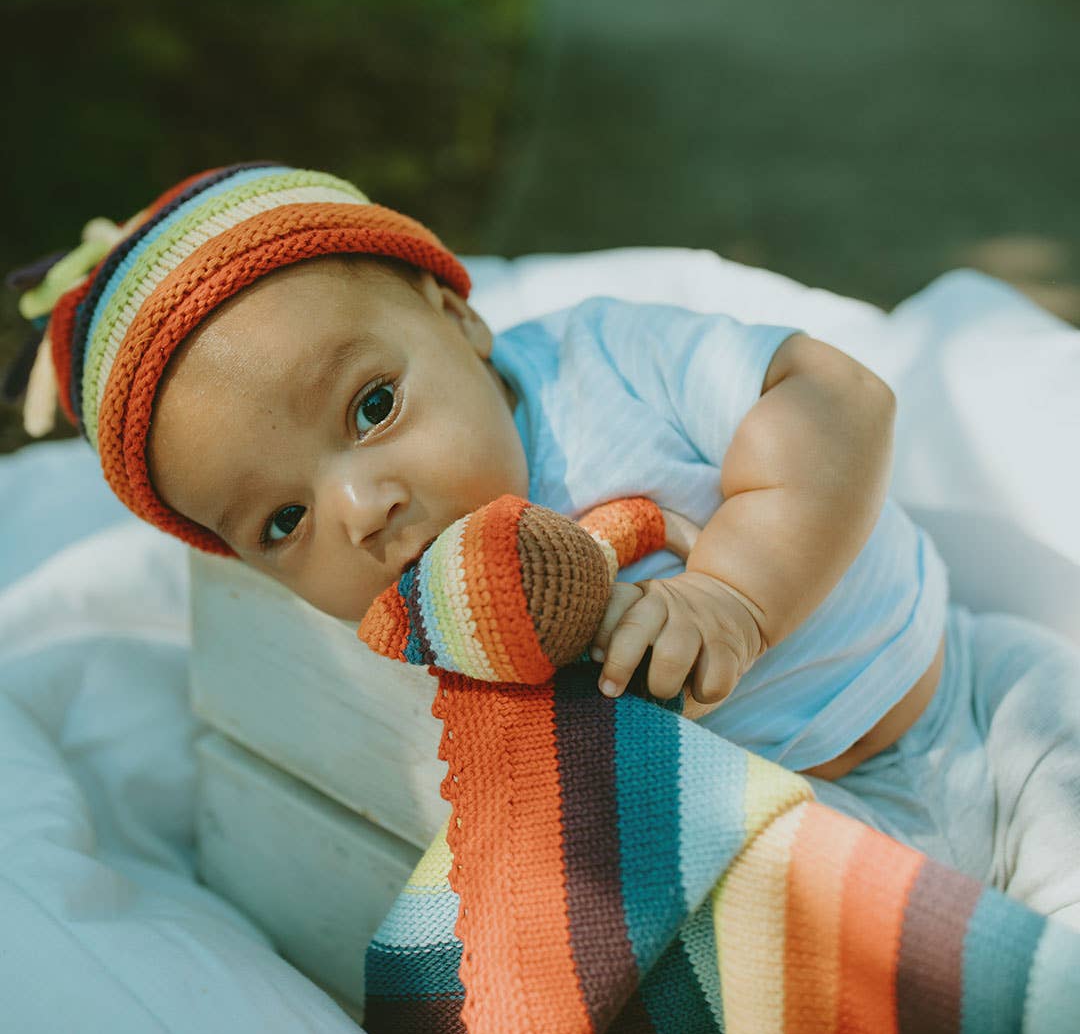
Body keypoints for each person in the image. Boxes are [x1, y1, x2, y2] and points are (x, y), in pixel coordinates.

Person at [12, 161, 1080, 927]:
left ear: (460, 320)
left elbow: (839, 394)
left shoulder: (607, 364)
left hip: (977, 696)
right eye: (281, 523)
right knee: (863, 955)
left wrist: (735, 598)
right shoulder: (412, 621)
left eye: (373, 405)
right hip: (802, 829)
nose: (359, 507)